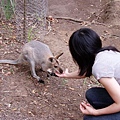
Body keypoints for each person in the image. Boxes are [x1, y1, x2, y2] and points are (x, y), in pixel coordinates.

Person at [55, 28, 120, 120]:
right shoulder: (107, 52)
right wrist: (67, 75)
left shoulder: (100, 67)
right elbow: (86, 71)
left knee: (89, 119)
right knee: (92, 95)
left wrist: (95, 112)